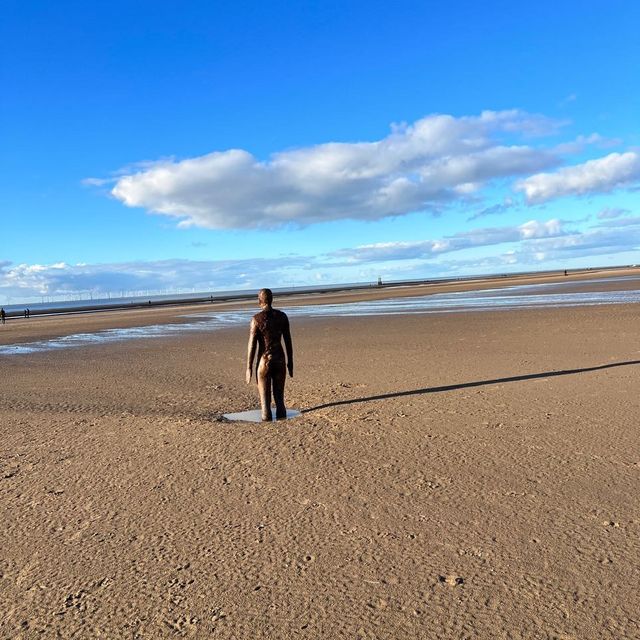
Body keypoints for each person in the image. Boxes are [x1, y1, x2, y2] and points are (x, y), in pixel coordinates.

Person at [246, 288, 294, 421]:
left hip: (264, 361)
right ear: (272, 300)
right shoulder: (282, 316)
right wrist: (290, 362)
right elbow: (288, 341)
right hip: (279, 359)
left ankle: (267, 422)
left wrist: (249, 367)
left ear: (259, 301)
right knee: (279, 399)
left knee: (265, 403)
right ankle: (282, 420)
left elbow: (252, 345)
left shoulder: (256, 319)